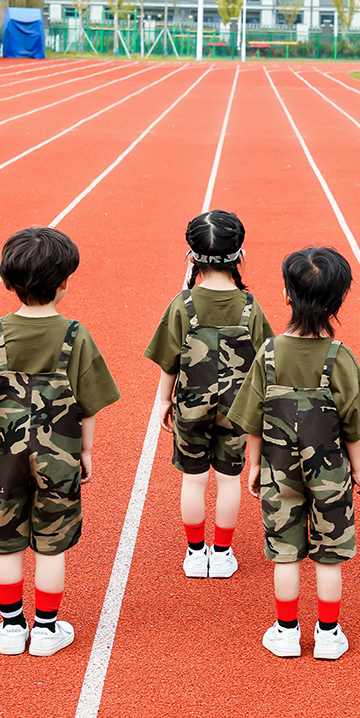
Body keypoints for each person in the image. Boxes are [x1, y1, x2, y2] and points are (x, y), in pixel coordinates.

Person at [0, 227, 120, 657]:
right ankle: (45, 630)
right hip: (58, 454)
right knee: (51, 542)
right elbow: (89, 404)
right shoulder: (75, 335)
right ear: (64, 282)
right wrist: (84, 452)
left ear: (8, 282)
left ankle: (11, 628)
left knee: (6, 543)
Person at [229, 247, 360, 660]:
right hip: (331, 474)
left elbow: (256, 416)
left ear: (286, 296)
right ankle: (329, 634)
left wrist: (255, 464)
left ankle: (286, 631)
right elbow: (352, 423)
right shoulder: (340, 357)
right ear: (338, 302)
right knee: (329, 555)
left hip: (279, 472)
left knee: (285, 552)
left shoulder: (269, 354)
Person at [145, 210, 273, 579]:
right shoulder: (250, 307)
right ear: (240, 256)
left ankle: (195, 552)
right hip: (237, 408)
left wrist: (164, 401)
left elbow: (169, 362)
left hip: (190, 404)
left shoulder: (182, 305)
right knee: (229, 479)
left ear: (191, 257)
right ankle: (222, 553)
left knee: (194, 479)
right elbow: (266, 361)